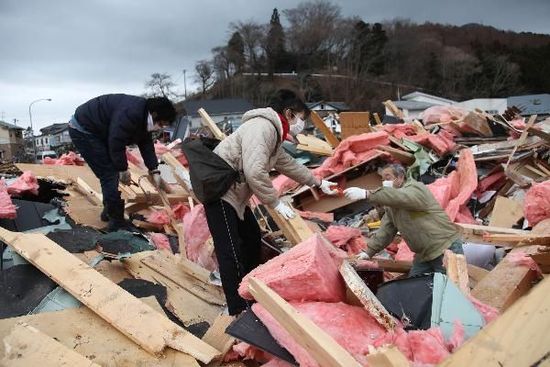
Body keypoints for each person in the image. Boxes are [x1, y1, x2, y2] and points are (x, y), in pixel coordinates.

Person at [203, 89, 337, 315]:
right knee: (231, 251)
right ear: (289, 113)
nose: (301, 125)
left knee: (252, 238)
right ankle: (238, 308)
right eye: (301, 119)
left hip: (235, 195)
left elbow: (289, 164)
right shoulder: (262, 128)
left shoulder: (273, 133)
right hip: (221, 194)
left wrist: (317, 182)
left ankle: (252, 288)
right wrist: (274, 203)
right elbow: (255, 172)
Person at [68, 94, 176, 231]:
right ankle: (116, 221)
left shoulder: (143, 116)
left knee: (111, 171)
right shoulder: (130, 114)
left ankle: (109, 211)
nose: (160, 128)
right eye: (160, 124)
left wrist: (154, 169)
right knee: (108, 172)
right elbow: (116, 141)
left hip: (100, 130)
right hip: (84, 129)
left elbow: (146, 143)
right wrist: (123, 169)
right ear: (154, 114)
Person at [344, 163, 464, 277]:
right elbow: (386, 230)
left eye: (388, 177)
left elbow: (402, 197)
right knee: (413, 287)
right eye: (382, 179)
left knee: (451, 288)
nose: (385, 182)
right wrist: (369, 252)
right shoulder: (392, 206)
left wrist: (368, 194)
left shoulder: (415, 189)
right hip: (423, 255)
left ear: (400, 177)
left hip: (445, 248)